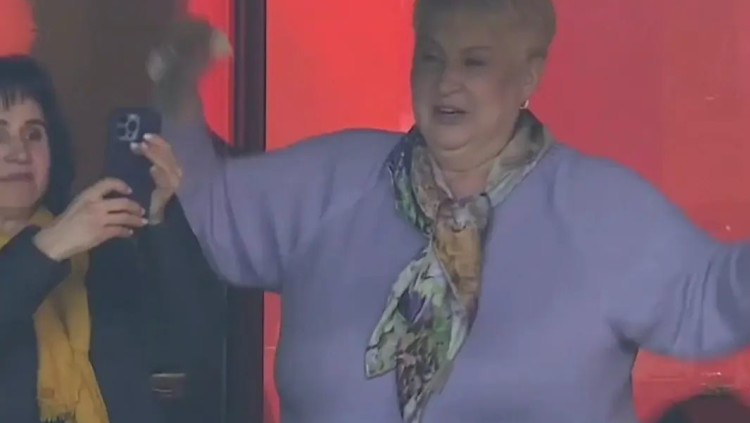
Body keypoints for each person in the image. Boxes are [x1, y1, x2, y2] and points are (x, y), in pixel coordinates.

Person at [152, 1, 750, 422]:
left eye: (475, 62)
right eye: (433, 58)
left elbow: (719, 299)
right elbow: (207, 204)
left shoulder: (600, 210)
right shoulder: (331, 181)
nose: (447, 83)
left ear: (528, 76)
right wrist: (175, 95)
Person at [0, 55, 218, 423]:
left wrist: (159, 219)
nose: (20, 153)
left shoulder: (93, 246)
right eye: (0, 134)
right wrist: (49, 247)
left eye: (34, 134)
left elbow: (191, 341)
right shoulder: (65, 239)